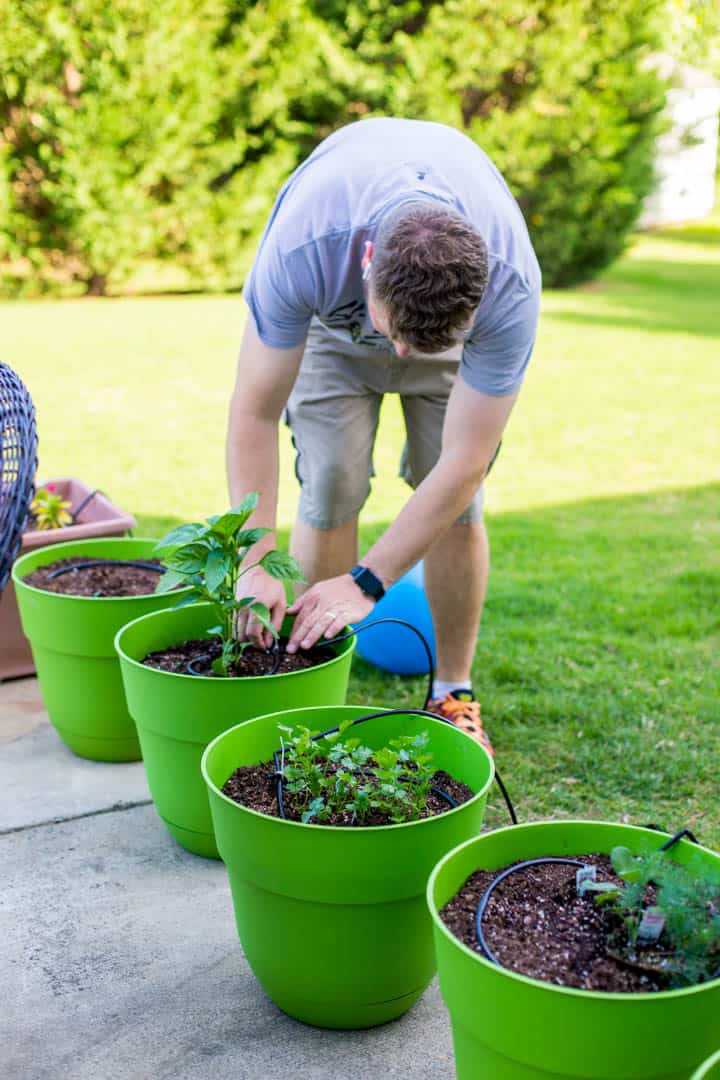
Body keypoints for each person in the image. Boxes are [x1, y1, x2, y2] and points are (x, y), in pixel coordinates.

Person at [226, 117, 541, 754]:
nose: (398, 352)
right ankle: (316, 699)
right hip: (331, 336)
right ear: (367, 259)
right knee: (333, 481)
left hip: (451, 348)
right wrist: (252, 563)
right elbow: (255, 412)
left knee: (456, 500)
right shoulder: (306, 245)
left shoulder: (509, 285)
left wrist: (368, 580)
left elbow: (465, 461)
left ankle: (453, 690)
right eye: (394, 332)